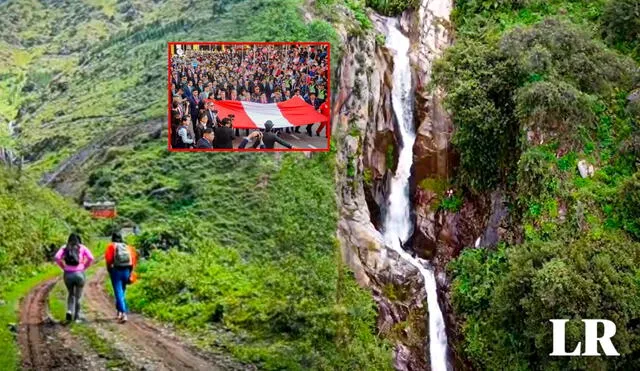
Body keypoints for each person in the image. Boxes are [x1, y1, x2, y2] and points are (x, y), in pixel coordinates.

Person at [54, 233, 94, 323]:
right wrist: (84, 266)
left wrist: (63, 266)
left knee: (71, 294)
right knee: (78, 296)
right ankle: (77, 317)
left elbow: (56, 257)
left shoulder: (65, 247)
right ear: (78, 240)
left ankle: (69, 311)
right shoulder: (82, 247)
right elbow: (91, 257)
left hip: (68, 274)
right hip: (79, 274)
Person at [105, 232, 138, 323]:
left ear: (112, 238)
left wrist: (109, 270)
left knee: (118, 292)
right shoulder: (128, 247)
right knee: (122, 291)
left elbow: (109, 260)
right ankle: (119, 312)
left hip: (116, 271)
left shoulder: (111, 246)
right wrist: (130, 272)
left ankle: (123, 313)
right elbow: (133, 260)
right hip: (127, 271)